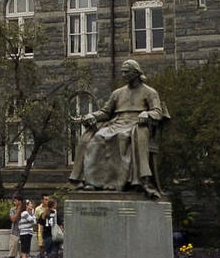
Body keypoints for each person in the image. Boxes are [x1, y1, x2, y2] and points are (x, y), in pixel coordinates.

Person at [69, 59, 170, 198]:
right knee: (97, 138)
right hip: (116, 122)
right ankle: (93, 182)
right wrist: (92, 115)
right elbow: (105, 112)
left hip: (136, 124)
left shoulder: (149, 92)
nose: (124, 75)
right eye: (122, 72)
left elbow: (158, 112)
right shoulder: (117, 93)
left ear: (136, 73)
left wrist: (147, 113)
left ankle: (118, 182)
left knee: (121, 137)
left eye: (126, 72)